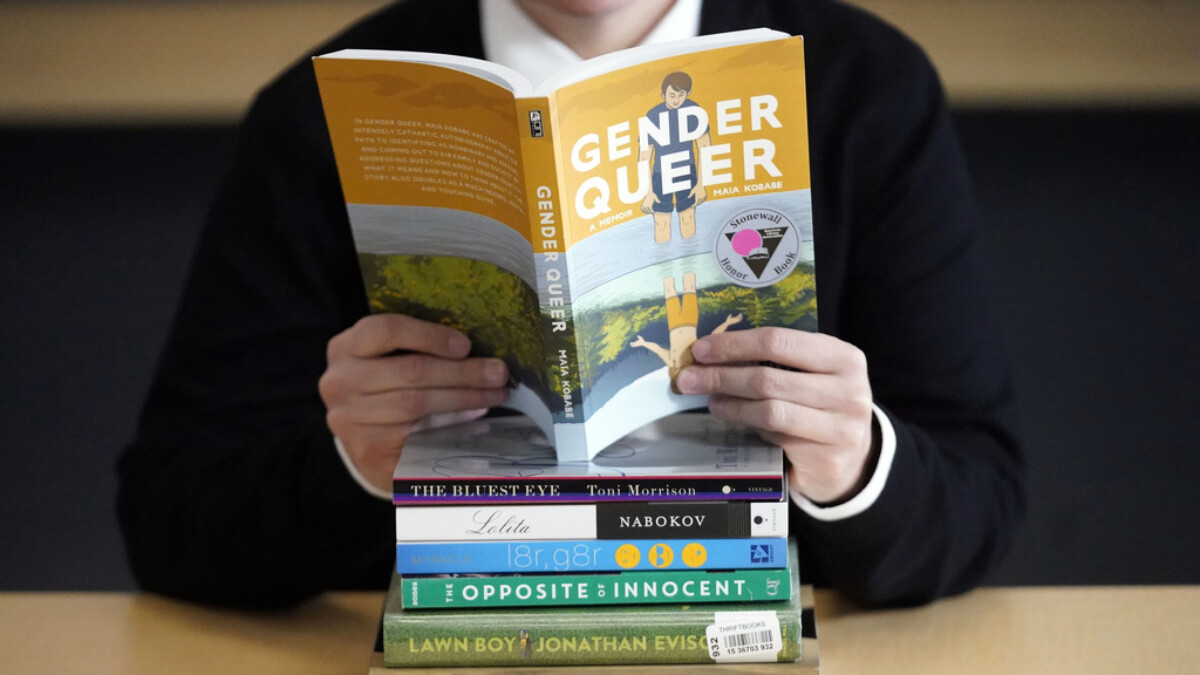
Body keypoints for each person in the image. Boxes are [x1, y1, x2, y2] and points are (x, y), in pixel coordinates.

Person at [118, 0, 1024, 610]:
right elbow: (170, 514)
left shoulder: (864, 88)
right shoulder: (324, 108)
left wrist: (856, 463)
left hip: (741, 632)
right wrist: (355, 466)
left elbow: (981, 494)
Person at [630, 272, 742, 393]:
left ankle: (664, 266)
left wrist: (643, 343)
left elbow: (657, 349)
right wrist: (727, 323)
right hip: (690, 320)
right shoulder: (696, 360)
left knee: (668, 287)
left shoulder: (671, 362)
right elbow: (712, 336)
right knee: (689, 283)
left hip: (673, 324)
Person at [639, 71, 710, 243]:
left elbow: (705, 147)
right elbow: (644, 156)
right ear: (663, 94)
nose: (676, 99)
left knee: (688, 219)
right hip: (660, 175)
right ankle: (665, 269)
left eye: (681, 95)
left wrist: (701, 185)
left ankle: (691, 267)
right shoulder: (653, 115)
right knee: (661, 224)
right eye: (672, 95)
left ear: (688, 93)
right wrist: (648, 192)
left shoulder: (694, 111)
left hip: (687, 171)